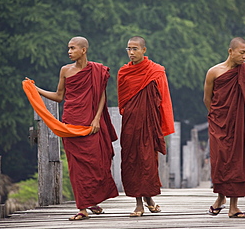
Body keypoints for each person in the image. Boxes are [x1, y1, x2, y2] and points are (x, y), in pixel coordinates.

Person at [25, 36, 118, 220]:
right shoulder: (65, 71)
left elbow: (101, 97)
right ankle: (82, 208)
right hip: (71, 123)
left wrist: (97, 119)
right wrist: (37, 90)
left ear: (83, 50)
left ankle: (93, 201)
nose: (69, 51)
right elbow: (59, 96)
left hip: (90, 123)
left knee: (97, 164)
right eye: (68, 48)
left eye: (73, 48)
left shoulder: (97, 70)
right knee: (76, 168)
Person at [203, 37, 245, 218]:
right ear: (230, 51)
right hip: (218, 123)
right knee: (220, 160)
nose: (244, 56)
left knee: (238, 161)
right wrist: (218, 117)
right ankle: (220, 198)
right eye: (241, 52)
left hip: (238, 123)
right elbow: (208, 99)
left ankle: (234, 207)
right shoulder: (214, 72)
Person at [117, 36, 175, 217]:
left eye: (135, 49)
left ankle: (148, 198)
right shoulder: (123, 73)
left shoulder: (156, 72)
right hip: (131, 124)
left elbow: (164, 100)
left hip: (149, 124)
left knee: (148, 162)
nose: (131, 52)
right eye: (129, 49)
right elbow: (122, 102)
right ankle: (138, 203)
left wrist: (163, 125)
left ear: (144, 50)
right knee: (131, 160)